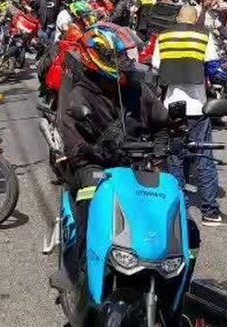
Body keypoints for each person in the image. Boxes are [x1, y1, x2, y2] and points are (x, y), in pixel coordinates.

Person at [54, 23, 169, 299]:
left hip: (133, 161)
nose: (123, 62)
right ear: (97, 56)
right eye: (116, 56)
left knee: (172, 204)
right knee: (90, 194)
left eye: (124, 55)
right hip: (94, 164)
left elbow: (162, 120)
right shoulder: (78, 94)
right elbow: (75, 144)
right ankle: (82, 271)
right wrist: (99, 151)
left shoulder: (137, 88)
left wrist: (164, 144)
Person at [151, 6, 227, 227]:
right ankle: (210, 212)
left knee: (175, 158)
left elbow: (156, 66)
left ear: (178, 18)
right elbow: (214, 68)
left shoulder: (164, 36)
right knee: (204, 158)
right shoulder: (203, 35)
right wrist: (224, 76)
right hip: (198, 107)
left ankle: (179, 210)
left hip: (172, 106)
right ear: (195, 18)